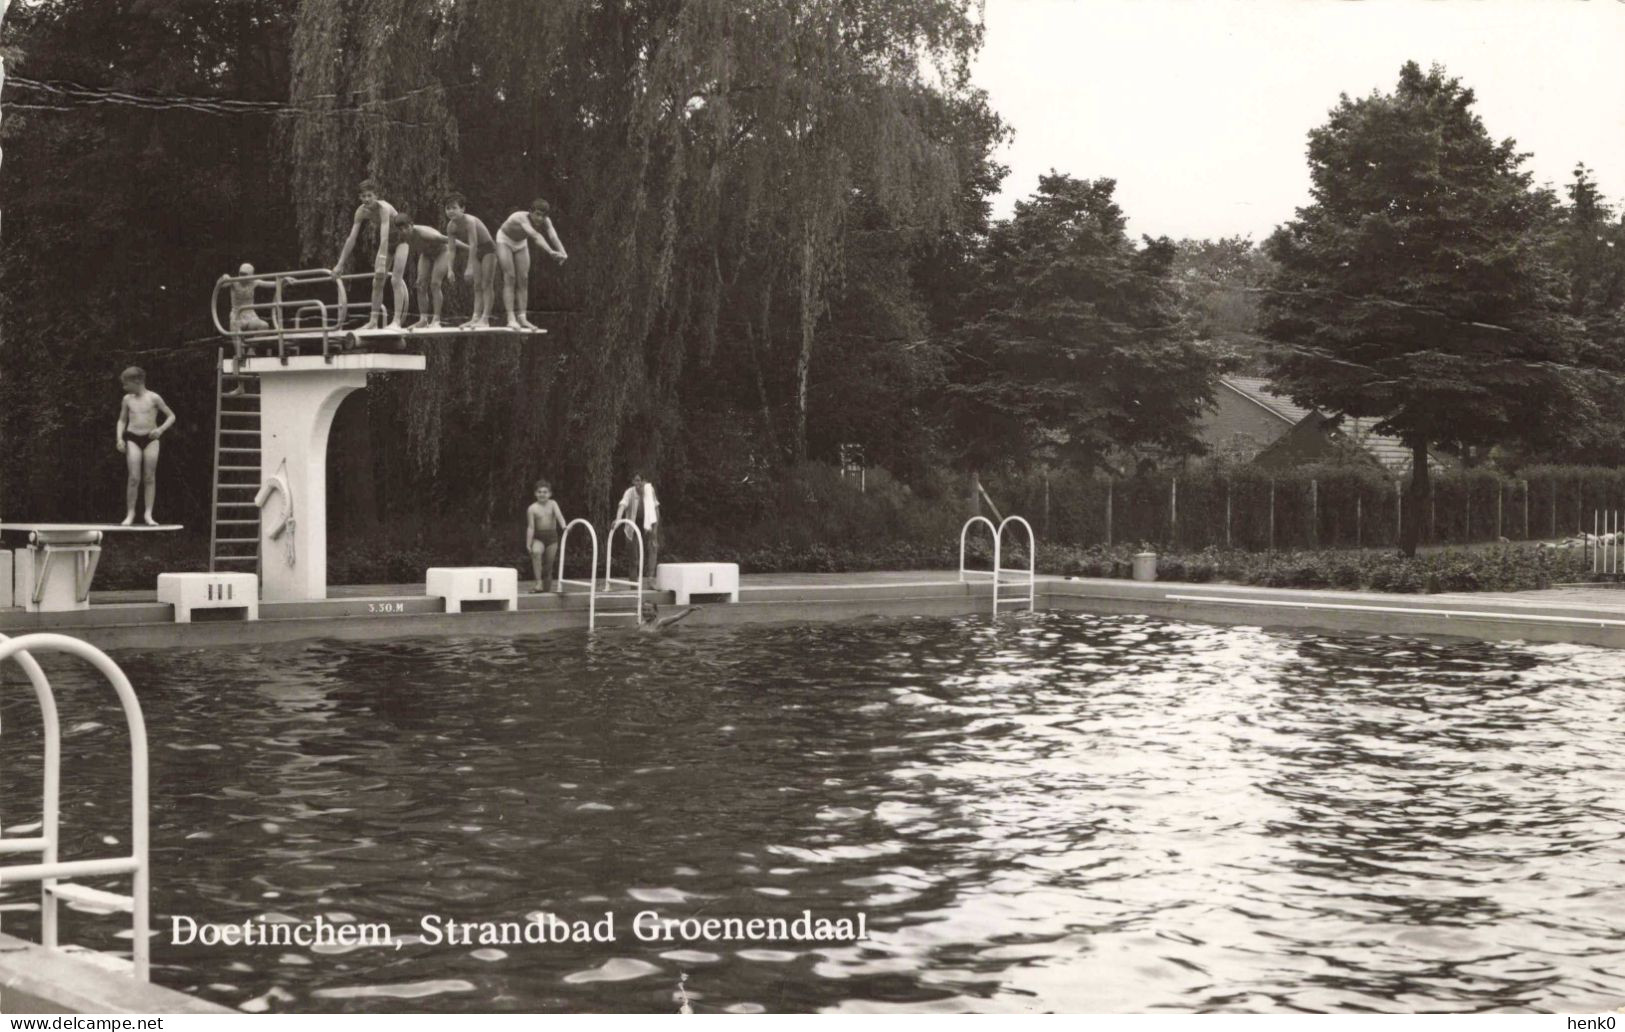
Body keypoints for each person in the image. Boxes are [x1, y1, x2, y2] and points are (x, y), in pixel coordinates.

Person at [332, 178, 405, 330]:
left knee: (395, 279)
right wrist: (340, 264)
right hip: (388, 244)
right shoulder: (361, 211)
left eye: (369, 196)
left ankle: (397, 321)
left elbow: (384, 235)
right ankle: (372, 321)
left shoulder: (384, 208)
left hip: (402, 241)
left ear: (376, 196)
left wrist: (382, 261)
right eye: (363, 196)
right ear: (360, 197)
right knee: (377, 281)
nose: (366, 199)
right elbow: (351, 238)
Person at [115, 366, 176, 526]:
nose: (124, 387)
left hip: (151, 438)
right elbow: (122, 420)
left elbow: (171, 416)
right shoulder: (127, 399)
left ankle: (148, 514)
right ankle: (130, 513)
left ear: (137, 381)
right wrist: (119, 439)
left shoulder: (154, 398)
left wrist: (160, 429)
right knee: (134, 477)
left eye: (126, 384)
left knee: (149, 477)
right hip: (133, 438)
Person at [495, 199, 567, 330]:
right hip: (504, 240)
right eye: (537, 214)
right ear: (530, 212)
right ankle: (511, 318)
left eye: (543, 215)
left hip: (520, 243)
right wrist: (550, 252)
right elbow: (536, 236)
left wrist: (563, 253)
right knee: (510, 277)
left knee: (524, 279)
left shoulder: (546, 220)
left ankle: (522, 318)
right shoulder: (520, 218)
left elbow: (553, 236)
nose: (540, 218)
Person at [388, 214, 455, 328]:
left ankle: (436, 320)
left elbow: (451, 241)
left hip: (443, 251)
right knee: (420, 285)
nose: (404, 231)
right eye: (401, 229)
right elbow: (390, 251)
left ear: (412, 225)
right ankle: (423, 320)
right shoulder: (401, 236)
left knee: (435, 283)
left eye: (406, 227)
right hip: (426, 255)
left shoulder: (423, 232)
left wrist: (472, 249)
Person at [443, 193, 497, 329]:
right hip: (477, 251)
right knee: (477, 285)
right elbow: (451, 249)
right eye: (448, 208)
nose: (450, 211)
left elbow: (473, 244)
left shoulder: (470, 221)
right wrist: (449, 269)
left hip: (488, 249)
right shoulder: (451, 227)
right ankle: (475, 318)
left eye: (454, 208)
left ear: (463, 209)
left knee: (487, 283)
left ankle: (485, 319)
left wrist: (470, 267)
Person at [614, 472, 660, 586]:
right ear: (633, 482)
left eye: (640, 481)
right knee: (633, 556)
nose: (638, 484)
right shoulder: (629, 492)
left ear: (645, 482)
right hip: (632, 526)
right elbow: (622, 506)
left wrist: (654, 530)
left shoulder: (650, 491)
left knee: (653, 547)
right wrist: (617, 519)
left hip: (648, 523)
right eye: (636, 481)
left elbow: (656, 510)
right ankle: (633, 583)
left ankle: (650, 578)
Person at [525, 479, 567, 593]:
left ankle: (546, 588)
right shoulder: (532, 508)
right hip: (538, 537)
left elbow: (559, 516)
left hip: (552, 538)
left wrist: (564, 526)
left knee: (548, 566)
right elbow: (531, 527)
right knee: (536, 552)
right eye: (539, 492)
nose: (542, 494)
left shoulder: (553, 504)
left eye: (545, 492)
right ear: (535, 494)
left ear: (549, 494)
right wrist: (528, 543)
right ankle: (538, 583)